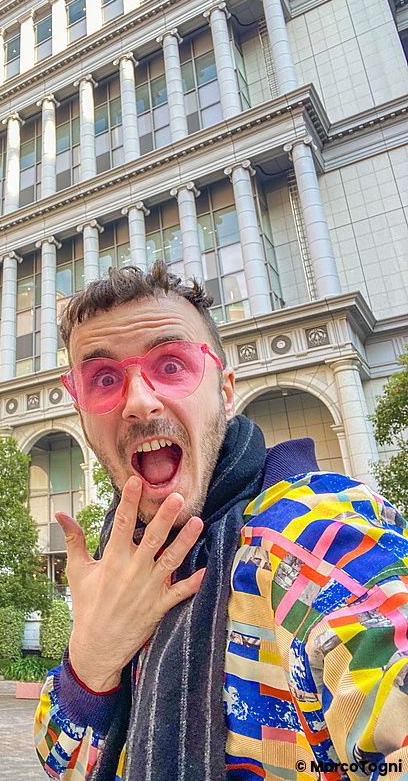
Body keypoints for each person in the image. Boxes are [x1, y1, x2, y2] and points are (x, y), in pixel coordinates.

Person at [34, 262, 408, 781]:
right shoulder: (116, 571)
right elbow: (62, 763)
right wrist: (91, 661)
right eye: (103, 379)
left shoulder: (305, 528)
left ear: (226, 391)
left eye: (171, 365)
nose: (140, 402)